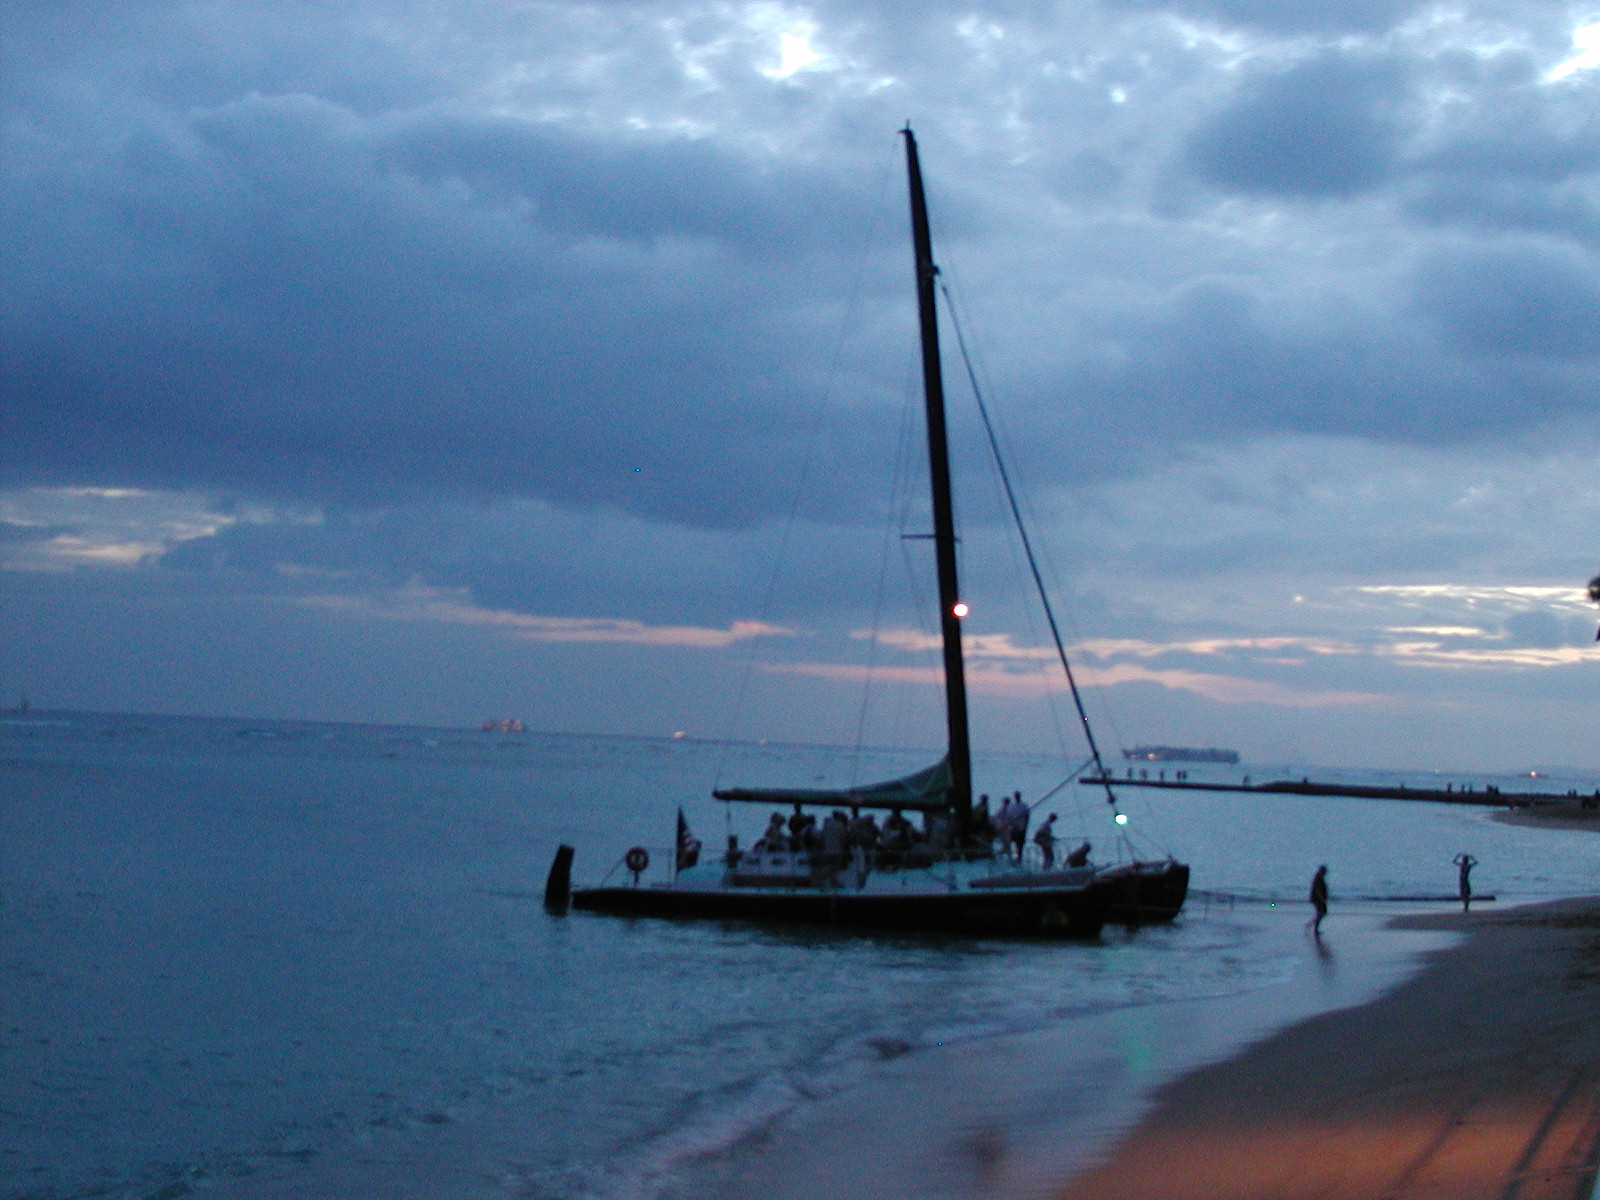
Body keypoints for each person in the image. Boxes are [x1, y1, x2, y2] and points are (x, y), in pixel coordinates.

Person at [1308, 864, 1329, 936]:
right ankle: (1314, 929)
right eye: (1325, 871)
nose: (1326, 873)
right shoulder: (1318, 878)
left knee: (1322, 913)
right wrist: (1322, 899)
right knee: (1321, 913)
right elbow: (1317, 890)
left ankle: (1312, 925)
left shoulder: (1319, 877)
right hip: (1317, 899)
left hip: (1318, 898)